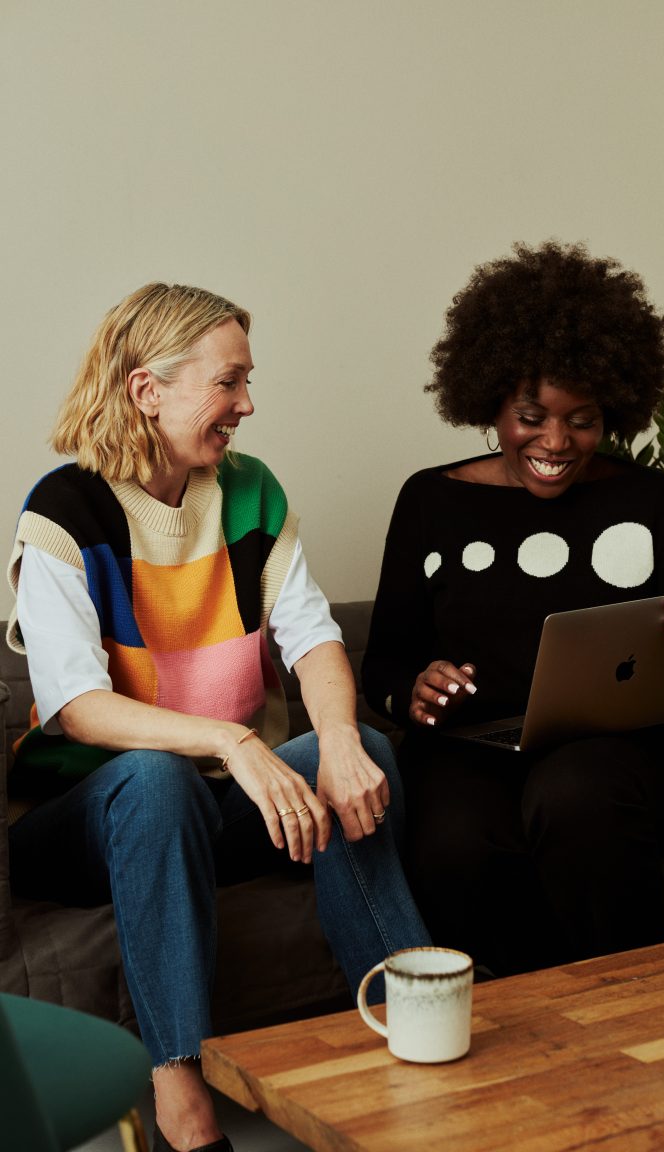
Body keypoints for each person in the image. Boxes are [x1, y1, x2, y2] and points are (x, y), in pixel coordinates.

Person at [6, 283, 430, 1152]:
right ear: (146, 390)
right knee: (159, 783)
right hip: (84, 820)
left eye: (247, 381)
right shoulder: (63, 512)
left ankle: (413, 1040)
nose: (246, 404)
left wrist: (342, 744)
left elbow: (313, 640)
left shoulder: (252, 495)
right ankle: (182, 1098)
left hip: (217, 808)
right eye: (228, 382)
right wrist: (233, 741)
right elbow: (80, 709)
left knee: (367, 749)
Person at [362, 240, 664, 980]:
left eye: (581, 419)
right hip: (468, 752)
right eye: (530, 416)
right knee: (451, 836)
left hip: (624, 761)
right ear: (489, 402)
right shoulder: (431, 501)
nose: (555, 442)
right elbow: (384, 665)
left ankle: (621, 1013)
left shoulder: (650, 502)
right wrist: (413, 690)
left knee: (576, 796)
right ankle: (509, 1035)